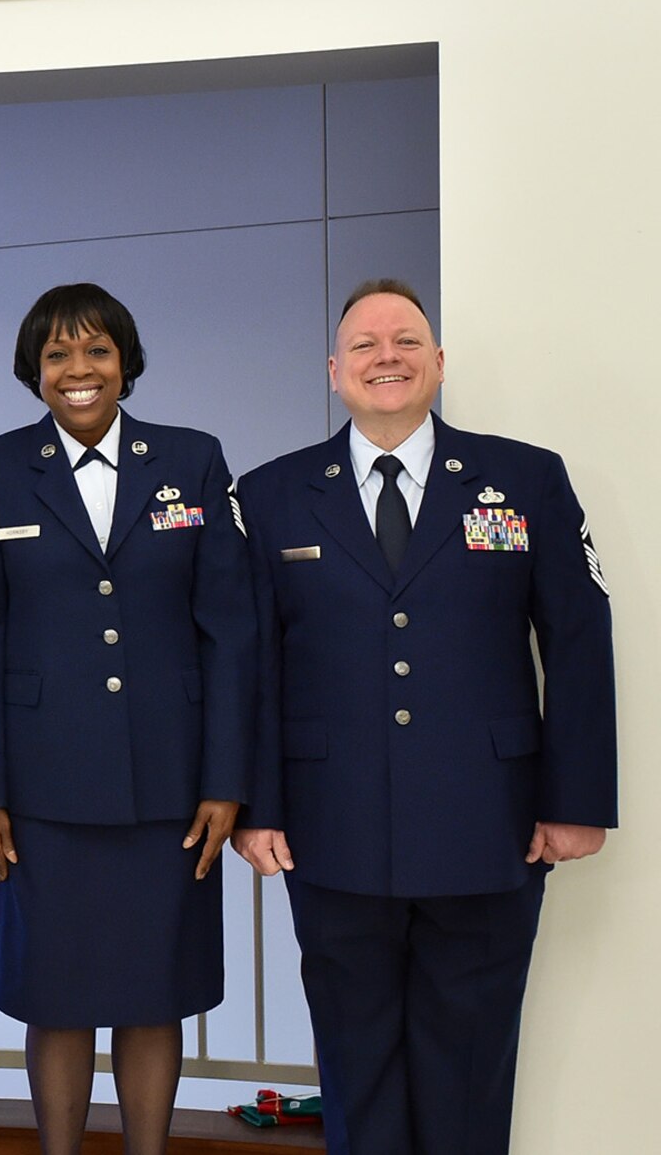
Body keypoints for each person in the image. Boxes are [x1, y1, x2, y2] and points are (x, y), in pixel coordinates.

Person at [232, 280, 616, 1155]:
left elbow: (579, 635)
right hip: (332, 833)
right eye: (364, 345)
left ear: (438, 362)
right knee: (355, 1065)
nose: (387, 357)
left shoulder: (525, 478)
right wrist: (260, 805)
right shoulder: (273, 493)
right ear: (336, 372)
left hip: (491, 828)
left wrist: (578, 798)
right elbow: (254, 663)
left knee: (470, 1066)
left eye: (406, 340)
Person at [0, 284, 254, 1155]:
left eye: (96, 351)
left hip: (171, 786)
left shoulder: (193, 461)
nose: (78, 370)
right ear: (33, 371)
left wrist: (225, 778)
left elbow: (228, 630)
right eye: (56, 355)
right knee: (56, 994)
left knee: (153, 990)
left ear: (125, 362)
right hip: (40, 793)